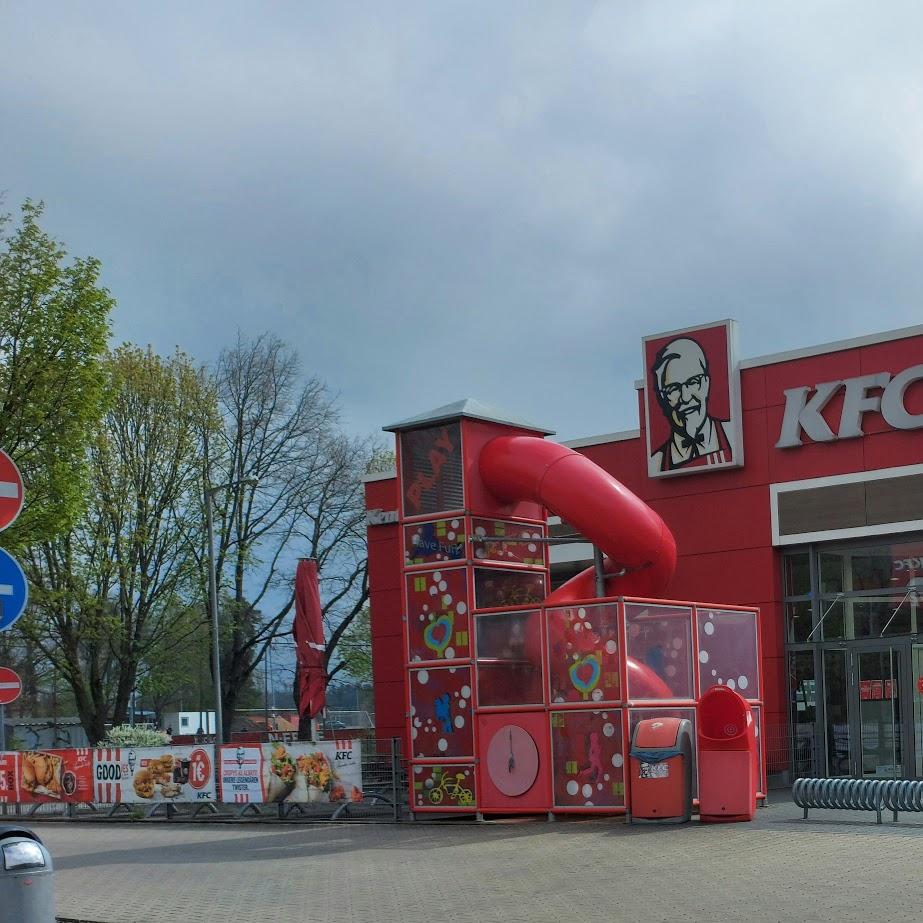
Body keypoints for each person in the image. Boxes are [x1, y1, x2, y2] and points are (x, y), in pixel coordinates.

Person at [650, 336, 733, 472]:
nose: (686, 397)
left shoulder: (732, 437)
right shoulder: (656, 463)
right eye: (673, 388)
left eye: (693, 382)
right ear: (662, 397)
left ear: (706, 383)